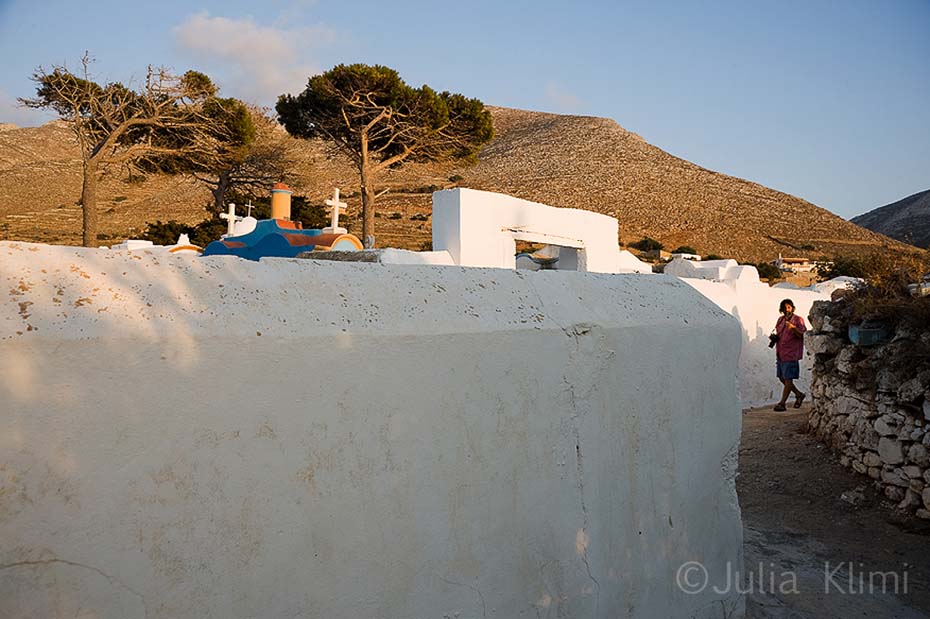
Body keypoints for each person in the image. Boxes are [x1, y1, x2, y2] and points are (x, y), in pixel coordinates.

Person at [773, 298, 807, 411]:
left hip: (791, 353)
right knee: (782, 378)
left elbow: (803, 335)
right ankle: (799, 394)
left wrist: (793, 328)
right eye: (784, 307)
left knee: (788, 379)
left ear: (792, 307)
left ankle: (782, 403)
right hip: (781, 353)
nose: (787, 309)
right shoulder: (780, 320)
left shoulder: (798, 320)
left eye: (789, 307)